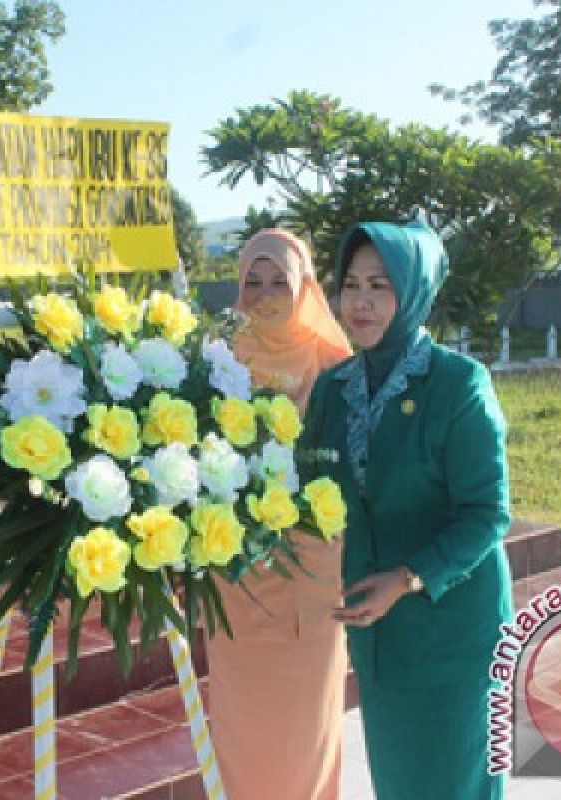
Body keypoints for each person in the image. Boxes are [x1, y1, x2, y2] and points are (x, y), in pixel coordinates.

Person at [301, 220, 513, 799]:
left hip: (454, 632)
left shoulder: (458, 383)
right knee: (400, 781)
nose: (361, 302)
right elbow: (308, 488)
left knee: (458, 779)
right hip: (380, 636)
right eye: (351, 284)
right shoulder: (332, 389)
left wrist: (408, 576)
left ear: (415, 291)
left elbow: (487, 513)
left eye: (380, 285)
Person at [207, 228, 353, 800]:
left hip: (311, 570)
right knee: (243, 724)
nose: (265, 295)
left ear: (305, 288)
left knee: (306, 724)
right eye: (253, 281)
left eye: (279, 282)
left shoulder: (333, 362)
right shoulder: (220, 359)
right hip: (236, 571)